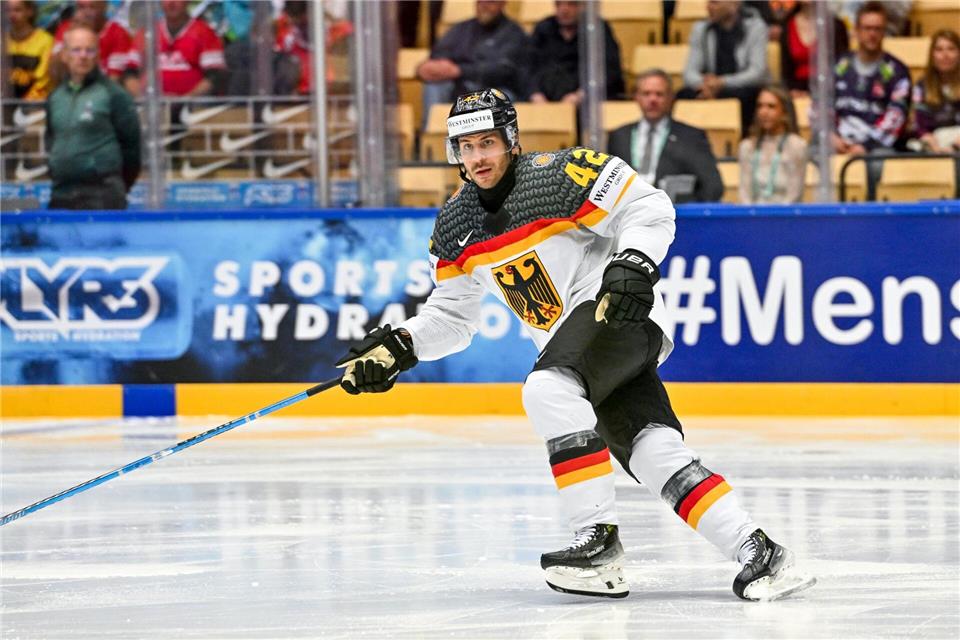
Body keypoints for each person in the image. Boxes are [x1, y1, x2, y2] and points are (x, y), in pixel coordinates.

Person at [335, 88, 816, 602]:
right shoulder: (455, 226)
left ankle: (598, 544)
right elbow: (453, 317)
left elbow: (649, 204)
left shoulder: (558, 175)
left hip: (617, 313)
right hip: (583, 347)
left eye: (487, 142)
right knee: (655, 454)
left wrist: (634, 262)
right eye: (466, 146)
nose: (477, 157)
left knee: (547, 389)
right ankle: (760, 553)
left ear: (511, 140)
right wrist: (401, 346)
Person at [45, 25, 141, 210]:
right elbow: (51, 141)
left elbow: (132, 148)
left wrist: (118, 186)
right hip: (61, 192)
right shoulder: (55, 97)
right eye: (76, 50)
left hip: (103, 193)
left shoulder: (114, 94)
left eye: (90, 50)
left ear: (98, 56)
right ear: (64, 55)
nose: (83, 56)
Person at [830, 2, 911, 198]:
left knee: (876, 164)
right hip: (837, 141)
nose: (872, 34)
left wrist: (865, 146)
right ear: (856, 31)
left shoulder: (897, 72)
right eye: (867, 28)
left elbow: (896, 117)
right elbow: (820, 106)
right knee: (812, 157)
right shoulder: (839, 66)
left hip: (877, 146)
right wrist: (831, 136)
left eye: (877, 29)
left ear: (884, 32)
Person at [607, 69, 723, 203]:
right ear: (636, 97)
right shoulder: (619, 136)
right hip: (629, 216)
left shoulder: (691, 137)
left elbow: (712, 186)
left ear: (671, 98)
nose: (653, 99)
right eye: (646, 94)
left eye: (659, 94)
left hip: (676, 216)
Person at [416, 0, 530, 128]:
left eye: (490, 2)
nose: (484, 6)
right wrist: (425, 68)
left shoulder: (513, 33)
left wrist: (460, 70)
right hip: (458, 85)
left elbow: (505, 70)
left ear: (502, 4)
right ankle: (432, 136)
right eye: (480, 2)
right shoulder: (461, 29)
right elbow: (438, 55)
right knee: (434, 86)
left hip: (493, 88)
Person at [677, 0, 768, 135]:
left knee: (750, 96)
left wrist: (722, 82)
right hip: (710, 87)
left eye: (714, 3)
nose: (708, 7)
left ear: (733, 4)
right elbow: (689, 72)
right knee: (684, 94)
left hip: (740, 86)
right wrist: (705, 84)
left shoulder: (756, 27)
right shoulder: (700, 28)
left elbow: (757, 72)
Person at [528, 0, 624, 105]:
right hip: (546, 101)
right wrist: (535, 93)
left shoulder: (596, 28)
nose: (564, 10)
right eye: (559, 4)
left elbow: (610, 70)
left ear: (583, 6)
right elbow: (528, 66)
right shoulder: (543, 28)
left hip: (586, 101)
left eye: (571, 4)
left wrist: (581, 94)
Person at [51, 0, 140, 95]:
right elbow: (54, 73)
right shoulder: (66, 29)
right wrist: (73, 34)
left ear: (104, 8)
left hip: (103, 96)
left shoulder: (118, 33)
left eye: (92, 7)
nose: (86, 13)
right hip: (68, 93)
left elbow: (115, 81)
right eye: (81, 7)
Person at [737, 86, 807, 204]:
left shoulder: (796, 146)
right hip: (753, 216)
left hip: (785, 216)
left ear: (784, 111)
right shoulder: (747, 146)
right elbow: (744, 192)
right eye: (760, 106)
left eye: (771, 106)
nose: (764, 112)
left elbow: (795, 194)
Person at [149, 0, 226, 97]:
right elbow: (130, 74)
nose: (171, 2)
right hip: (153, 108)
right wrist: (148, 101)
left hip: (195, 107)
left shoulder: (204, 32)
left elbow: (214, 76)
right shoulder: (148, 34)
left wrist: (185, 100)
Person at [779, 0, 849, 97]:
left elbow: (843, 65)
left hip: (830, 92)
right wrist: (791, 91)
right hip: (797, 93)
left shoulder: (836, 26)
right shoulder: (787, 25)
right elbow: (785, 72)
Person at [910, 29, 960, 153]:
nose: (945, 55)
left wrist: (954, 147)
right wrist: (934, 146)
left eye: (951, 49)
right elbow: (919, 123)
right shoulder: (922, 86)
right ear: (932, 55)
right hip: (933, 142)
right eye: (939, 49)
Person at [5, 0, 54, 100]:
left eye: (17, 10)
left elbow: (43, 79)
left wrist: (25, 102)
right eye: (7, 10)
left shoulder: (46, 41)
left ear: (30, 11)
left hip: (34, 104)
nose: (12, 15)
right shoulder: (2, 41)